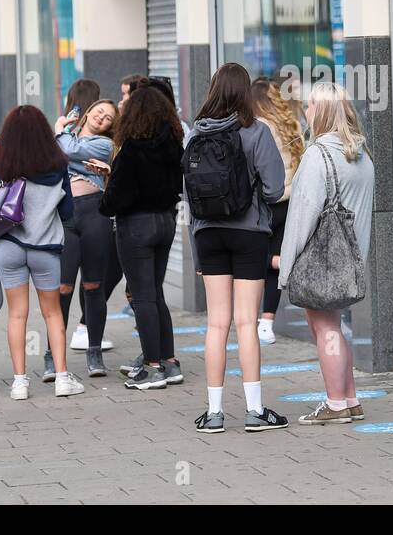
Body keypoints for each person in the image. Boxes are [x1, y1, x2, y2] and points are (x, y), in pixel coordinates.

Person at [184, 62, 288, 433]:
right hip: (249, 233)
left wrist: (198, 253)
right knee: (246, 323)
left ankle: (213, 413)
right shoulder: (256, 132)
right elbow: (276, 190)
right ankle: (255, 411)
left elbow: (189, 197)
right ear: (245, 93)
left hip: (208, 234)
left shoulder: (194, 135)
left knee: (217, 324)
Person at [278, 82, 374, 425]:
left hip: (321, 260)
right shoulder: (361, 156)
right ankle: (349, 398)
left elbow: (301, 218)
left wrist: (286, 266)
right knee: (335, 326)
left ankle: (336, 404)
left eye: (309, 106)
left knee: (325, 330)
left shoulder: (318, 156)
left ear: (322, 112)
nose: (305, 111)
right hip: (350, 259)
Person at [0, 105, 82, 400]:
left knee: (17, 315)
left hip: (9, 247)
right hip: (45, 249)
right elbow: (68, 212)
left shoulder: (2, 166)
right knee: (53, 313)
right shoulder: (57, 165)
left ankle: (19, 383)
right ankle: (62, 378)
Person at [100, 85, 184, 389]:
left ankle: (151, 368)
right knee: (156, 293)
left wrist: (106, 183)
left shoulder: (132, 150)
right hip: (166, 221)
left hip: (135, 226)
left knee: (142, 296)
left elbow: (113, 201)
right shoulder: (175, 145)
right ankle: (169, 361)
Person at [52, 98, 119, 379]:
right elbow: (61, 157)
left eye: (108, 118)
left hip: (94, 214)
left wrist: (60, 131)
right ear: (89, 111)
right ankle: (52, 356)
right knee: (62, 287)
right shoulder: (69, 138)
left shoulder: (104, 145)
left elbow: (69, 150)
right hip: (66, 216)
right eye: (99, 112)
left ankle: (94, 352)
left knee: (93, 284)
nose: (102, 118)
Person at [251, 78, 304, 346]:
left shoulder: (258, 127)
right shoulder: (289, 124)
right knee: (274, 261)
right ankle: (267, 323)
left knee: (251, 256)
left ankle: (252, 320)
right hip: (289, 202)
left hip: (265, 203)